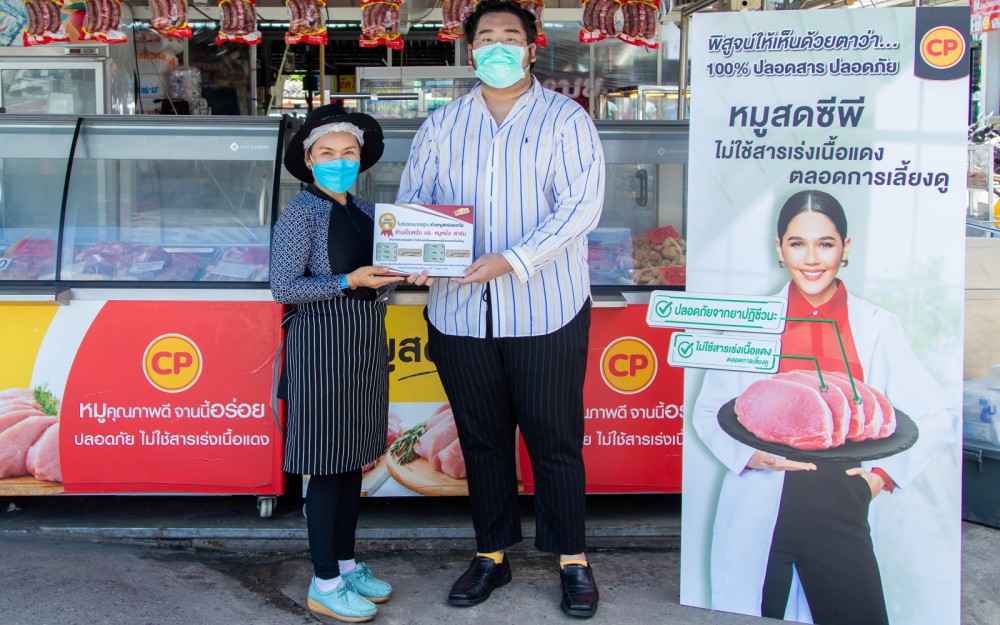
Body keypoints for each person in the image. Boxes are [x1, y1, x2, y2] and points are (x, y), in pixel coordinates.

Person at [395, 0, 605, 618]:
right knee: (481, 440)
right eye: (486, 37)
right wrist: (412, 251)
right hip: (460, 313)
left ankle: (572, 559)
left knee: (555, 440)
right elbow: (415, 199)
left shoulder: (565, 119)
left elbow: (581, 207)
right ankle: (491, 555)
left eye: (510, 36)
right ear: (470, 51)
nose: (498, 47)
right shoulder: (443, 124)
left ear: (532, 49)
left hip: (545, 308)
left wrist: (512, 259)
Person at [691, 190, 959, 624]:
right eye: (798, 243)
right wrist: (750, 456)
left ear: (845, 248)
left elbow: (938, 415)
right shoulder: (751, 320)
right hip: (761, 501)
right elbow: (709, 412)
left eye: (826, 243)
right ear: (779, 248)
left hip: (843, 502)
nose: (812, 258)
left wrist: (881, 478)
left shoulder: (877, 325)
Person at [271, 105, 420, 623]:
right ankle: (324, 581)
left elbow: (382, 271)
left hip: (363, 346)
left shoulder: (367, 210)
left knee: (354, 461)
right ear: (309, 159)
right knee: (327, 467)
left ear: (361, 159)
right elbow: (284, 287)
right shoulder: (301, 213)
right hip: (320, 349)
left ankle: (347, 564)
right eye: (327, 153)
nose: (339, 161)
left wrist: (411, 269)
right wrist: (346, 281)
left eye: (348, 152)